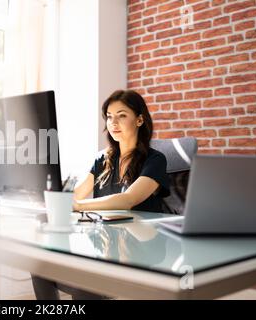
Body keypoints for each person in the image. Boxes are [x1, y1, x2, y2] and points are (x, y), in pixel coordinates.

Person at [32, 89, 170, 300]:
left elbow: (128, 200)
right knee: (39, 265)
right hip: (106, 248)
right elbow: (75, 193)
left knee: (84, 288)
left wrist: (79, 205)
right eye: (109, 117)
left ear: (140, 120)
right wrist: (55, 191)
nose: (113, 122)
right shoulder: (102, 159)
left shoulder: (155, 160)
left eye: (122, 115)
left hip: (140, 253)